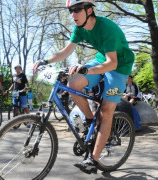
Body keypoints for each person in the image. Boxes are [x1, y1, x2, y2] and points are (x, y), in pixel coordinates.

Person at [33, 0, 134, 174]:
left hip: (119, 66)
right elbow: (66, 51)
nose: (73, 15)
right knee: (73, 84)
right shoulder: (79, 28)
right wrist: (46, 60)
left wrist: (87, 69)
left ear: (89, 10)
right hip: (102, 59)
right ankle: (89, 119)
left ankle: (93, 160)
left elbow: (112, 63)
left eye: (77, 10)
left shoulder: (106, 28)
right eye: (71, 11)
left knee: (106, 110)